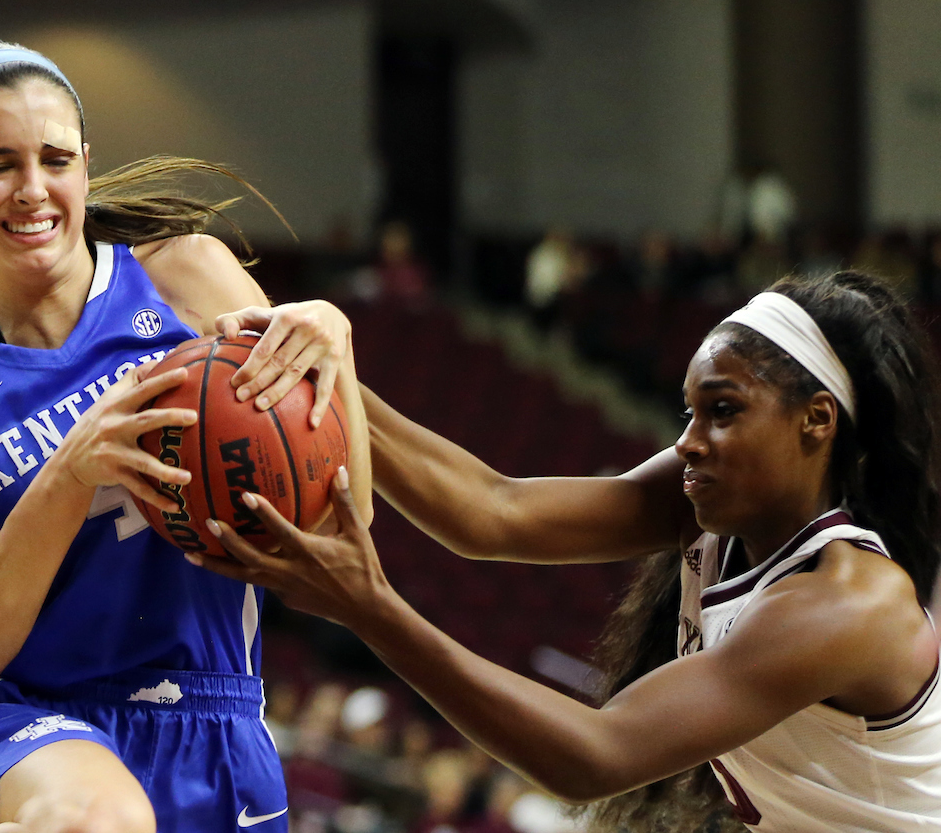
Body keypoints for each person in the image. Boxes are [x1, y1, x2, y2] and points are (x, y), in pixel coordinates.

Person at [193, 270, 941, 832]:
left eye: (723, 410)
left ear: (816, 421)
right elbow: (494, 511)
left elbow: (593, 757)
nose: (687, 438)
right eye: (689, 409)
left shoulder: (848, 602)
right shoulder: (708, 508)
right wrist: (326, 369)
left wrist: (373, 608)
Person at [0, 42, 371, 833]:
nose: (32, 188)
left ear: (85, 164)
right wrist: (69, 473)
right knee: (98, 821)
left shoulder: (187, 278)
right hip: (30, 722)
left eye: (54, 158)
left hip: (215, 716)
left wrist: (334, 348)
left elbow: (346, 529)